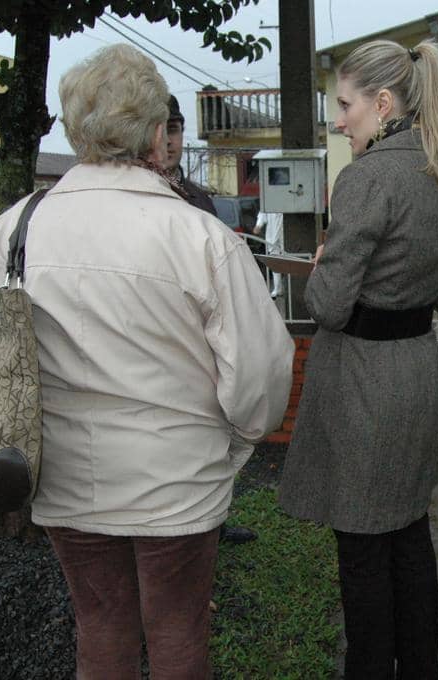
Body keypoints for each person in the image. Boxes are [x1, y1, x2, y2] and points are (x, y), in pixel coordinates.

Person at [0, 44, 294, 677]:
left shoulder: (9, 233)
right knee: (177, 629)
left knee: (99, 625)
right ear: (153, 132)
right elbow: (261, 370)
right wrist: (235, 443)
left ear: (75, 128)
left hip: (65, 478)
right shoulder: (198, 237)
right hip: (176, 480)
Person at [277, 39, 438, 679]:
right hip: (418, 369)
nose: (340, 120)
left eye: (345, 104)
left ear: (383, 102)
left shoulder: (365, 178)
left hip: (363, 376)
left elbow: (329, 305)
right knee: (410, 533)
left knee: (363, 544)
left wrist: (323, 267)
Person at [166, 92, 258, 546]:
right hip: (160, 347)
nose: (169, 142)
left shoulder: (197, 199)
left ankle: (214, 521)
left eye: (176, 129)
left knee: (211, 443)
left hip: (204, 345)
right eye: (161, 129)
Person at [164, 93, 218, 216]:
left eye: (172, 130)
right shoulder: (130, 198)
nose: (166, 140)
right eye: (157, 131)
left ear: (182, 132)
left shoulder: (202, 202)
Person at [253, 210, 285, 298]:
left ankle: (283, 287)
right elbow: (263, 213)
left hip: (285, 236)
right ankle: (278, 288)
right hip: (273, 237)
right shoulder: (269, 200)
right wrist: (258, 225)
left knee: (287, 262)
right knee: (275, 263)